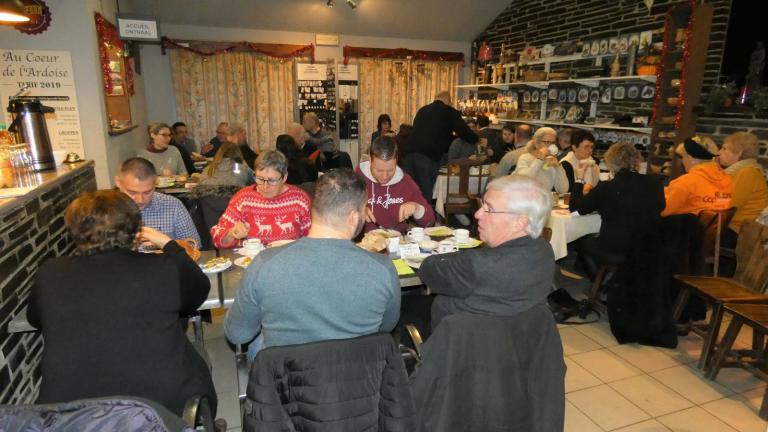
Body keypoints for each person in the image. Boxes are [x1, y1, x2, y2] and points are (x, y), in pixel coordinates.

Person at [28, 190, 216, 417]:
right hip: (159, 408)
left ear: (74, 229)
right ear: (135, 228)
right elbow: (199, 292)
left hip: (70, 414)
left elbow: (35, 318)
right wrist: (169, 244)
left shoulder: (50, 272)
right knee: (199, 358)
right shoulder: (161, 268)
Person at [224, 169, 400, 359]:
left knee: (258, 344)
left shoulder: (264, 264)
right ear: (354, 218)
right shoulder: (383, 268)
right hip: (360, 381)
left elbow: (237, 334)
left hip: (286, 382)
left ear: (312, 210)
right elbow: (386, 326)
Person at [419, 175, 555, 329]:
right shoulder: (545, 252)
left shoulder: (478, 265)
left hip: (462, 345)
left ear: (520, 222)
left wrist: (449, 256)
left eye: (489, 209)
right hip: (519, 345)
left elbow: (427, 269)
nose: (477, 214)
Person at [569, 142, 665, 278]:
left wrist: (579, 179)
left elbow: (576, 209)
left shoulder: (608, 187)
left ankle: (600, 282)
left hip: (616, 247)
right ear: (637, 160)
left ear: (610, 163)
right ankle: (611, 281)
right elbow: (659, 207)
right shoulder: (655, 183)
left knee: (582, 240)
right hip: (646, 245)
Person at [211, 150, 311, 248]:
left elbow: (313, 239)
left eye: (272, 181)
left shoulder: (300, 200)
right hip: (251, 261)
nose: (265, 186)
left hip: (288, 260)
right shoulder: (243, 198)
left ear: (284, 177)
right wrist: (231, 233)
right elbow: (217, 238)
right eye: (260, 179)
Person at [402, 90, 485, 201]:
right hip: (427, 157)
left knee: (410, 193)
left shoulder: (422, 110)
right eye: (450, 102)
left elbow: (430, 133)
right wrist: (477, 139)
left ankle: (409, 217)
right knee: (426, 195)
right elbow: (464, 132)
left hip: (408, 154)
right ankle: (428, 218)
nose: (451, 104)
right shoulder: (449, 111)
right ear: (447, 100)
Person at [357, 136, 435, 234]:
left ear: (396, 160)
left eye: (390, 170)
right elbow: (337, 219)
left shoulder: (405, 181)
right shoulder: (356, 178)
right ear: (370, 159)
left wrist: (417, 208)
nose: (385, 176)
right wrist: (357, 211)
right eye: (379, 170)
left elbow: (430, 221)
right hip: (363, 243)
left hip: (398, 241)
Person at [116, 157, 201, 245]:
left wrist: (166, 244)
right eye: (132, 192)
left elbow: (194, 245)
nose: (140, 200)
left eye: (147, 192)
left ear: (156, 183)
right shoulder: (106, 210)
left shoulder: (173, 206)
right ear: (118, 182)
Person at [717, 131, 768, 248]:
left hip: (739, 232)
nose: (719, 152)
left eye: (724, 148)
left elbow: (727, 204)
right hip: (734, 227)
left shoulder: (747, 172)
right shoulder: (742, 170)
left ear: (739, 153)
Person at [662, 136, 733, 216]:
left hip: (687, 227)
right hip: (713, 227)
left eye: (682, 157)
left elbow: (663, 211)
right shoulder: (728, 179)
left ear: (693, 159)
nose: (682, 161)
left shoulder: (686, 182)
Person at [513, 127, 569, 193]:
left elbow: (563, 190)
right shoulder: (525, 158)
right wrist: (539, 160)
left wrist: (558, 167)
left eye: (553, 143)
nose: (550, 146)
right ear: (536, 143)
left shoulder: (551, 162)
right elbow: (525, 181)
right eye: (547, 142)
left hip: (543, 201)